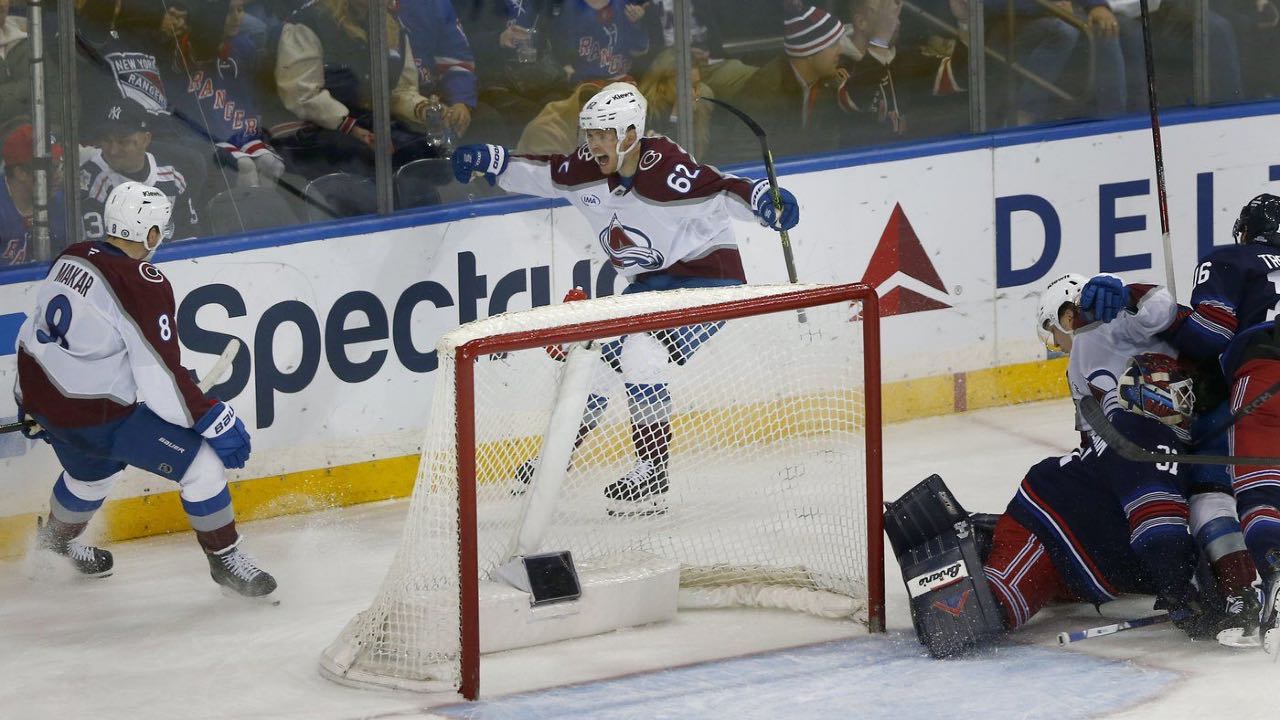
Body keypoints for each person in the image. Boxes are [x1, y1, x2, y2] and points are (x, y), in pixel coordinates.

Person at [450, 81, 800, 515]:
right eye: (590, 133)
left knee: (641, 354)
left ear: (631, 134)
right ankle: (554, 462)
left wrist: (764, 201)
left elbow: (721, 186)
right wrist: (492, 160)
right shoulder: (587, 167)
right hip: (649, 286)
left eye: (603, 134)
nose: (593, 143)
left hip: (708, 280)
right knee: (593, 362)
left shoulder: (664, 167)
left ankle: (653, 471)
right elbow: (547, 172)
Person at [13, 180, 275, 598]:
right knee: (204, 466)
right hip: (99, 418)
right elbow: (160, 386)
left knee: (88, 478)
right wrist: (211, 417)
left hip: (47, 405)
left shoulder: (74, 255)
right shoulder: (142, 281)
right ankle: (225, 559)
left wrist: (27, 400)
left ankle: (56, 544)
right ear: (151, 234)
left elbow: (33, 335)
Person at [1158, 193, 1280, 652]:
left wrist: (1169, 320)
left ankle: (1265, 584)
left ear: (1247, 232)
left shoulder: (1230, 259)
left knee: (1259, 491)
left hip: (1267, 373)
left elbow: (1210, 334)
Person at [79, 100, 201, 241]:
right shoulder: (92, 181)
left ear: (145, 139)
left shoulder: (171, 177)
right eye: (107, 140)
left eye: (123, 141)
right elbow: (100, 254)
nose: (113, 151)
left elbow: (189, 239)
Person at [1, 123, 67, 266]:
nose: (59, 175)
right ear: (21, 173)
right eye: (51, 168)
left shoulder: (60, 202)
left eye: (60, 165)